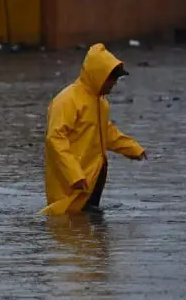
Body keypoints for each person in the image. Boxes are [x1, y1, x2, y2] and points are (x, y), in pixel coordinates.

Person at [42, 43, 146, 215]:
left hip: (91, 178)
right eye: (113, 79)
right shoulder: (67, 100)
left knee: (88, 228)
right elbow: (55, 139)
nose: (114, 84)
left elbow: (106, 132)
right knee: (67, 221)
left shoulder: (100, 103)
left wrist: (133, 149)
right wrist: (74, 175)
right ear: (101, 76)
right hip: (73, 183)